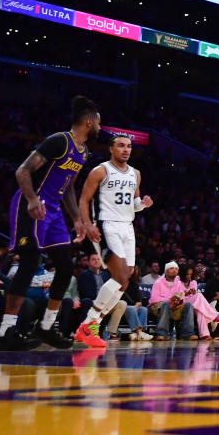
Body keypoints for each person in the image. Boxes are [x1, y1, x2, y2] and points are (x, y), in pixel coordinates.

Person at [0, 96, 98, 351]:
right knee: (29, 263)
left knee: (64, 267)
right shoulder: (59, 140)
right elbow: (23, 170)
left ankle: (46, 327)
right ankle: (4, 332)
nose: (99, 127)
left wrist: (76, 219)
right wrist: (30, 200)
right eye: (98, 123)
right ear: (88, 122)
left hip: (54, 210)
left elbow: (70, 186)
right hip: (33, 206)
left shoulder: (83, 152)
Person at [76, 133, 153, 349]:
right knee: (119, 275)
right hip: (107, 224)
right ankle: (88, 323)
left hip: (128, 227)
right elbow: (84, 199)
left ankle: (91, 324)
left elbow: (135, 204)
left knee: (125, 279)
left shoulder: (135, 174)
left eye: (129, 146)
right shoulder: (100, 170)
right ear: (111, 149)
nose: (126, 150)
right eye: (121, 146)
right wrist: (87, 224)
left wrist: (144, 203)